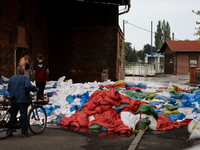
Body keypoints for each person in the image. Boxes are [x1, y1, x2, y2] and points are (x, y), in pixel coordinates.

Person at [7, 65, 38, 138]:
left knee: (13, 116)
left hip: (13, 99)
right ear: (23, 71)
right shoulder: (24, 78)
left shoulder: (12, 78)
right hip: (22, 100)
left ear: (17, 71)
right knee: (23, 116)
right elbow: (28, 87)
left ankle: (9, 131)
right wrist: (36, 89)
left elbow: (8, 89)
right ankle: (24, 133)